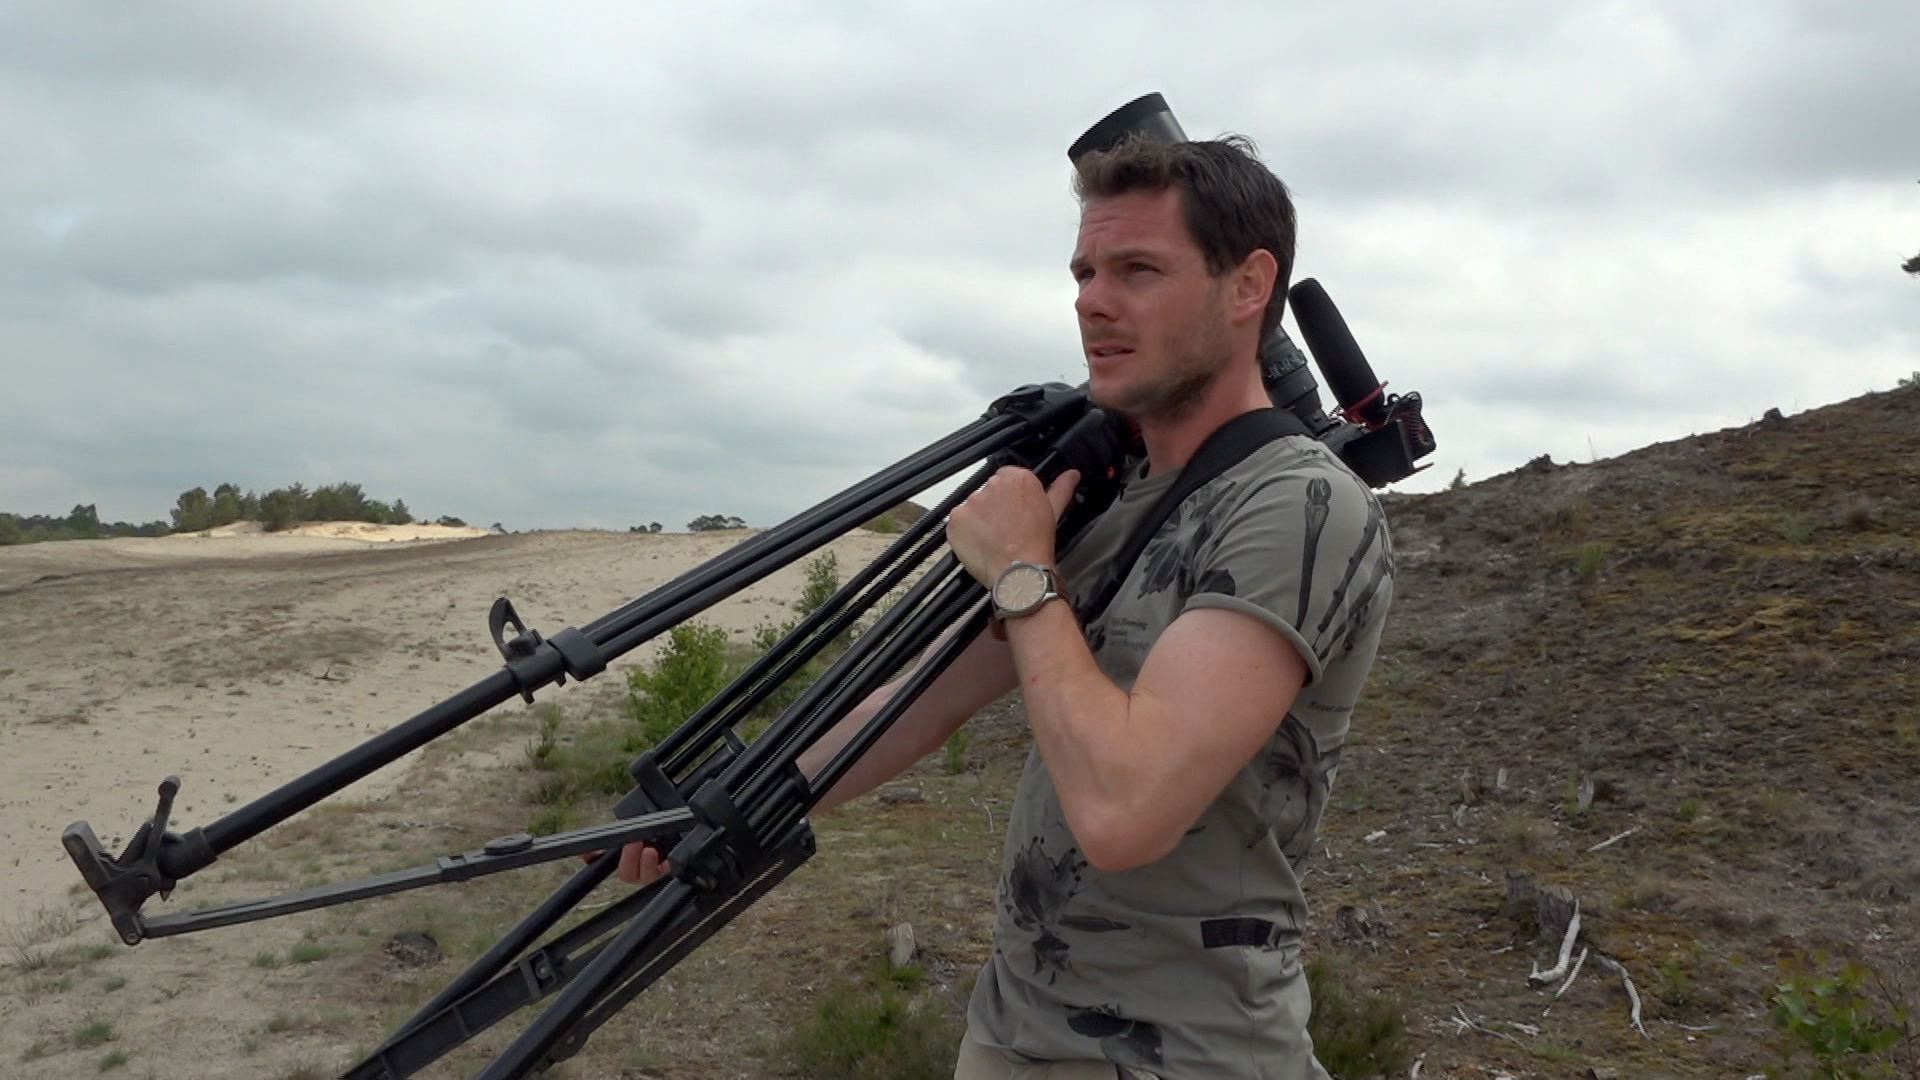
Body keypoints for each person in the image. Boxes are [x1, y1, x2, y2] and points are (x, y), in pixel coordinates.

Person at [617, 133, 1394, 1080]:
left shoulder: (1300, 505)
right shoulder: (1117, 502)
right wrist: (718, 810)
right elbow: (918, 704)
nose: (1092, 302)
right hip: (1015, 1034)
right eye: (1084, 273)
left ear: (1248, 286)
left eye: (1138, 270)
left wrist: (1024, 572)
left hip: (1190, 1055)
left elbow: (1125, 810)